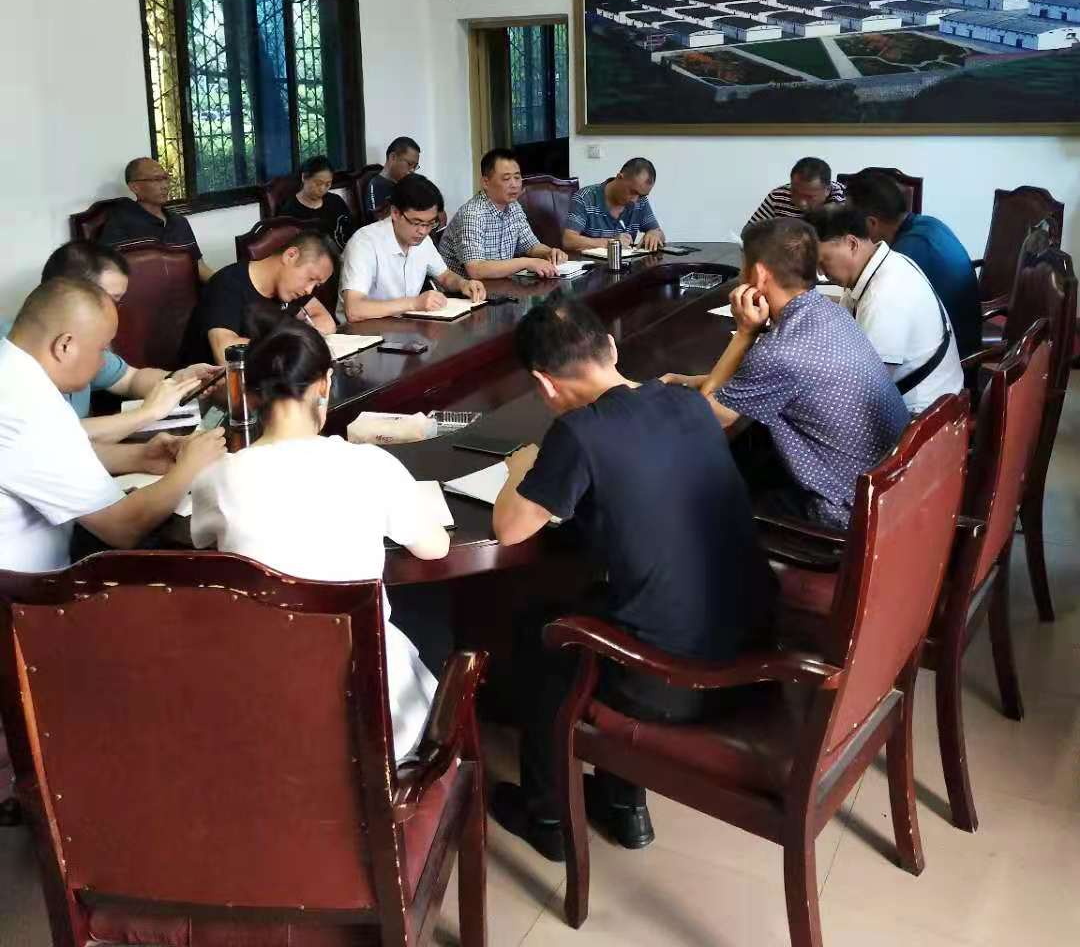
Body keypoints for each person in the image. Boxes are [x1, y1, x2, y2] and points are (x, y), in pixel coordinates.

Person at [488, 295, 776, 863]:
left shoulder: (579, 434)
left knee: (542, 632)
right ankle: (624, 805)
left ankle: (549, 817)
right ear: (612, 348)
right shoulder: (686, 402)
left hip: (676, 683)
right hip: (756, 646)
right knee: (605, 597)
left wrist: (519, 468)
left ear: (544, 384)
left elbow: (510, 529)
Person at [0, 277, 224, 824]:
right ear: (64, 345)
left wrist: (143, 457)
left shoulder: (14, 373)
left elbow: (52, 461)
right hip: (26, 597)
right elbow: (120, 527)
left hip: (26, 573)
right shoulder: (29, 406)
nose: (105, 362)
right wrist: (187, 470)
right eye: (102, 349)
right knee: (180, 613)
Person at [190, 320, 450, 761]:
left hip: (258, 706)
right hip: (369, 716)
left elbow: (202, 541)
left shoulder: (217, 479)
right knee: (431, 617)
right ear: (325, 385)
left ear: (251, 393)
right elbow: (435, 548)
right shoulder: (370, 465)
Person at [664, 218, 909, 527]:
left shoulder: (779, 352)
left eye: (743, 268)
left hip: (850, 513)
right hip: (894, 486)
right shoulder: (829, 311)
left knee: (708, 500)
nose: (740, 277)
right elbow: (762, 383)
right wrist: (687, 381)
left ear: (759, 275)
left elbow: (709, 417)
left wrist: (745, 333)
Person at [0, 242, 218, 449]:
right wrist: (145, 414)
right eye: (111, 300)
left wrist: (181, 380)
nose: (115, 311)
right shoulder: (15, 355)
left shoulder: (83, 345)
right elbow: (48, 437)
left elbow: (130, 379)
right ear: (70, 293)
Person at [808, 204, 964, 416]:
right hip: (924, 401)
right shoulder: (884, 265)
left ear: (851, 244)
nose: (821, 273)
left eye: (823, 261)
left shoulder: (884, 294)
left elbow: (867, 389)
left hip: (925, 417)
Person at [841, 170, 982, 361]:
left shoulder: (905, 254)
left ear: (871, 223)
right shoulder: (928, 224)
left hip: (953, 355)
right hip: (953, 340)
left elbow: (877, 325)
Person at [339, 174, 486, 321]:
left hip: (404, 325)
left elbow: (445, 276)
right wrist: (413, 303)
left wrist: (463, 284)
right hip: (366, 329)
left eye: (430, 223)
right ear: (395, 213)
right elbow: (354, 310)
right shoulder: (364, 243)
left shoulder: (423, 241)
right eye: (416, 223)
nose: (423, 231)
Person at [199, 229, 338, 363]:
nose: (309, 290)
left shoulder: (293, 288)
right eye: (311, 278)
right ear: (290, 255)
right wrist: (291, 341)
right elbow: (225, 353)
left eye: (316, 285)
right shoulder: (227, 284)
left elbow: (327, 323)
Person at [441, 148, 568, 280]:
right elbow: (476, 269)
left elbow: (531, 246)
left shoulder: (514, 206)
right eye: (506, 179)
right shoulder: (473, 214)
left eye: (517, 177)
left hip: (500, 285)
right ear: (485, 182)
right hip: (463, 290)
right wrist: (527, 262)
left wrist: (549, 252)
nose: (514, 185)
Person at [100, 158, 213, 283]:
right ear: (134, 187)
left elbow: (199, 266)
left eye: (165, 178)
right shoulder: (120, 221)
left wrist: (222, 282)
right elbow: (107, 273)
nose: (165, 186)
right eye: (156, 180)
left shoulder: (179, 222)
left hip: (186, 291)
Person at [562, 157, 665, 253]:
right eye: (632, 192)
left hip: (626, 265)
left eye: (641, 195)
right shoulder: (585, 198)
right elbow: (568, 241)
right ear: (619, 177)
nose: (635, 200)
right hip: (591, 264)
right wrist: (610, 243)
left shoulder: (640, 201)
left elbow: (659, 233)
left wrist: (655, 234)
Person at [745, 156, 845, 230]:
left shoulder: (845, 201)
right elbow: (749, 231)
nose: (802, 203)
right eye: (795, 193)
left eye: (809, 197)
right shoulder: (778, 196)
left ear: (827, 190)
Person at [280, 156, 353, 249]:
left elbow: (350, 232)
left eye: (328, 184)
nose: (322, 189)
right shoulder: (289, 211)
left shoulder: (336, 201)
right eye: (318, 183)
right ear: (304, 177)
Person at [363, 136, 422, 221]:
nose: (412, 170)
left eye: (415, 166)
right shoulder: (377, 186)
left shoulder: (406, 183)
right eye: (409, 164)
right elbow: (381, 223)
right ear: (393, 157)